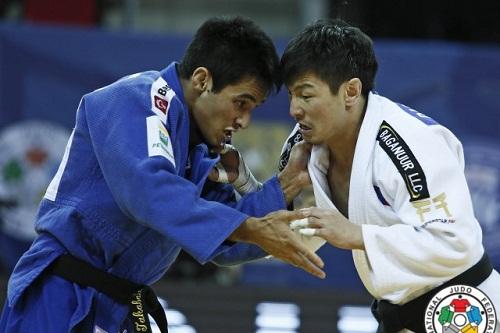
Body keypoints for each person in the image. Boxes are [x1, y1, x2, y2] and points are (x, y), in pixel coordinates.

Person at [0, 16, 325, 333]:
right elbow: (148, 192)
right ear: (202, 80)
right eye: (241, 103)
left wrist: (290, 182)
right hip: (60, 293)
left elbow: (227, 241)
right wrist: (252, 228)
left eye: (252, 108)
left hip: (115, 305)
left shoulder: (198, 151)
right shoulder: (135, 99)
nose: (244, 121)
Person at [276, 19, 500, 333]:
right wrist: (262, 187)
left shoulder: (406, 144)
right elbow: (299, 235)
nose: (294, 109)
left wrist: (358, 235)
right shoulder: (304, 145)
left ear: (351, 91)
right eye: (291, 95)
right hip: (397, 314)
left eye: (306, 95)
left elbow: (455, 242)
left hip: (460, 307)